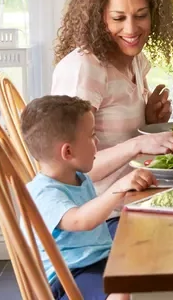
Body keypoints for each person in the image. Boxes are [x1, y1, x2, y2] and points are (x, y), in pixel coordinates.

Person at [52, 0, 173, 202]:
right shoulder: (85, 69)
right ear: (98, 19)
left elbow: (116, 137)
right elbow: (67, 169)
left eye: (141, 16)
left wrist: (149, 121)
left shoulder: (134, 59)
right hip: (99, 217)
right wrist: (139, 142)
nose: (131, 29)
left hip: (138, 196)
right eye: (118, 18)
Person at [22, 95, 157, 300]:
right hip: (69, 276)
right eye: (92, 135)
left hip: (96, 259)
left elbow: (93, 211)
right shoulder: (43, 194)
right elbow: (80, 220)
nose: (97, 141)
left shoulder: (77, 177)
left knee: (146, 254)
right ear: (68, 151)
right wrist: (119, 188)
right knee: (123, 289)